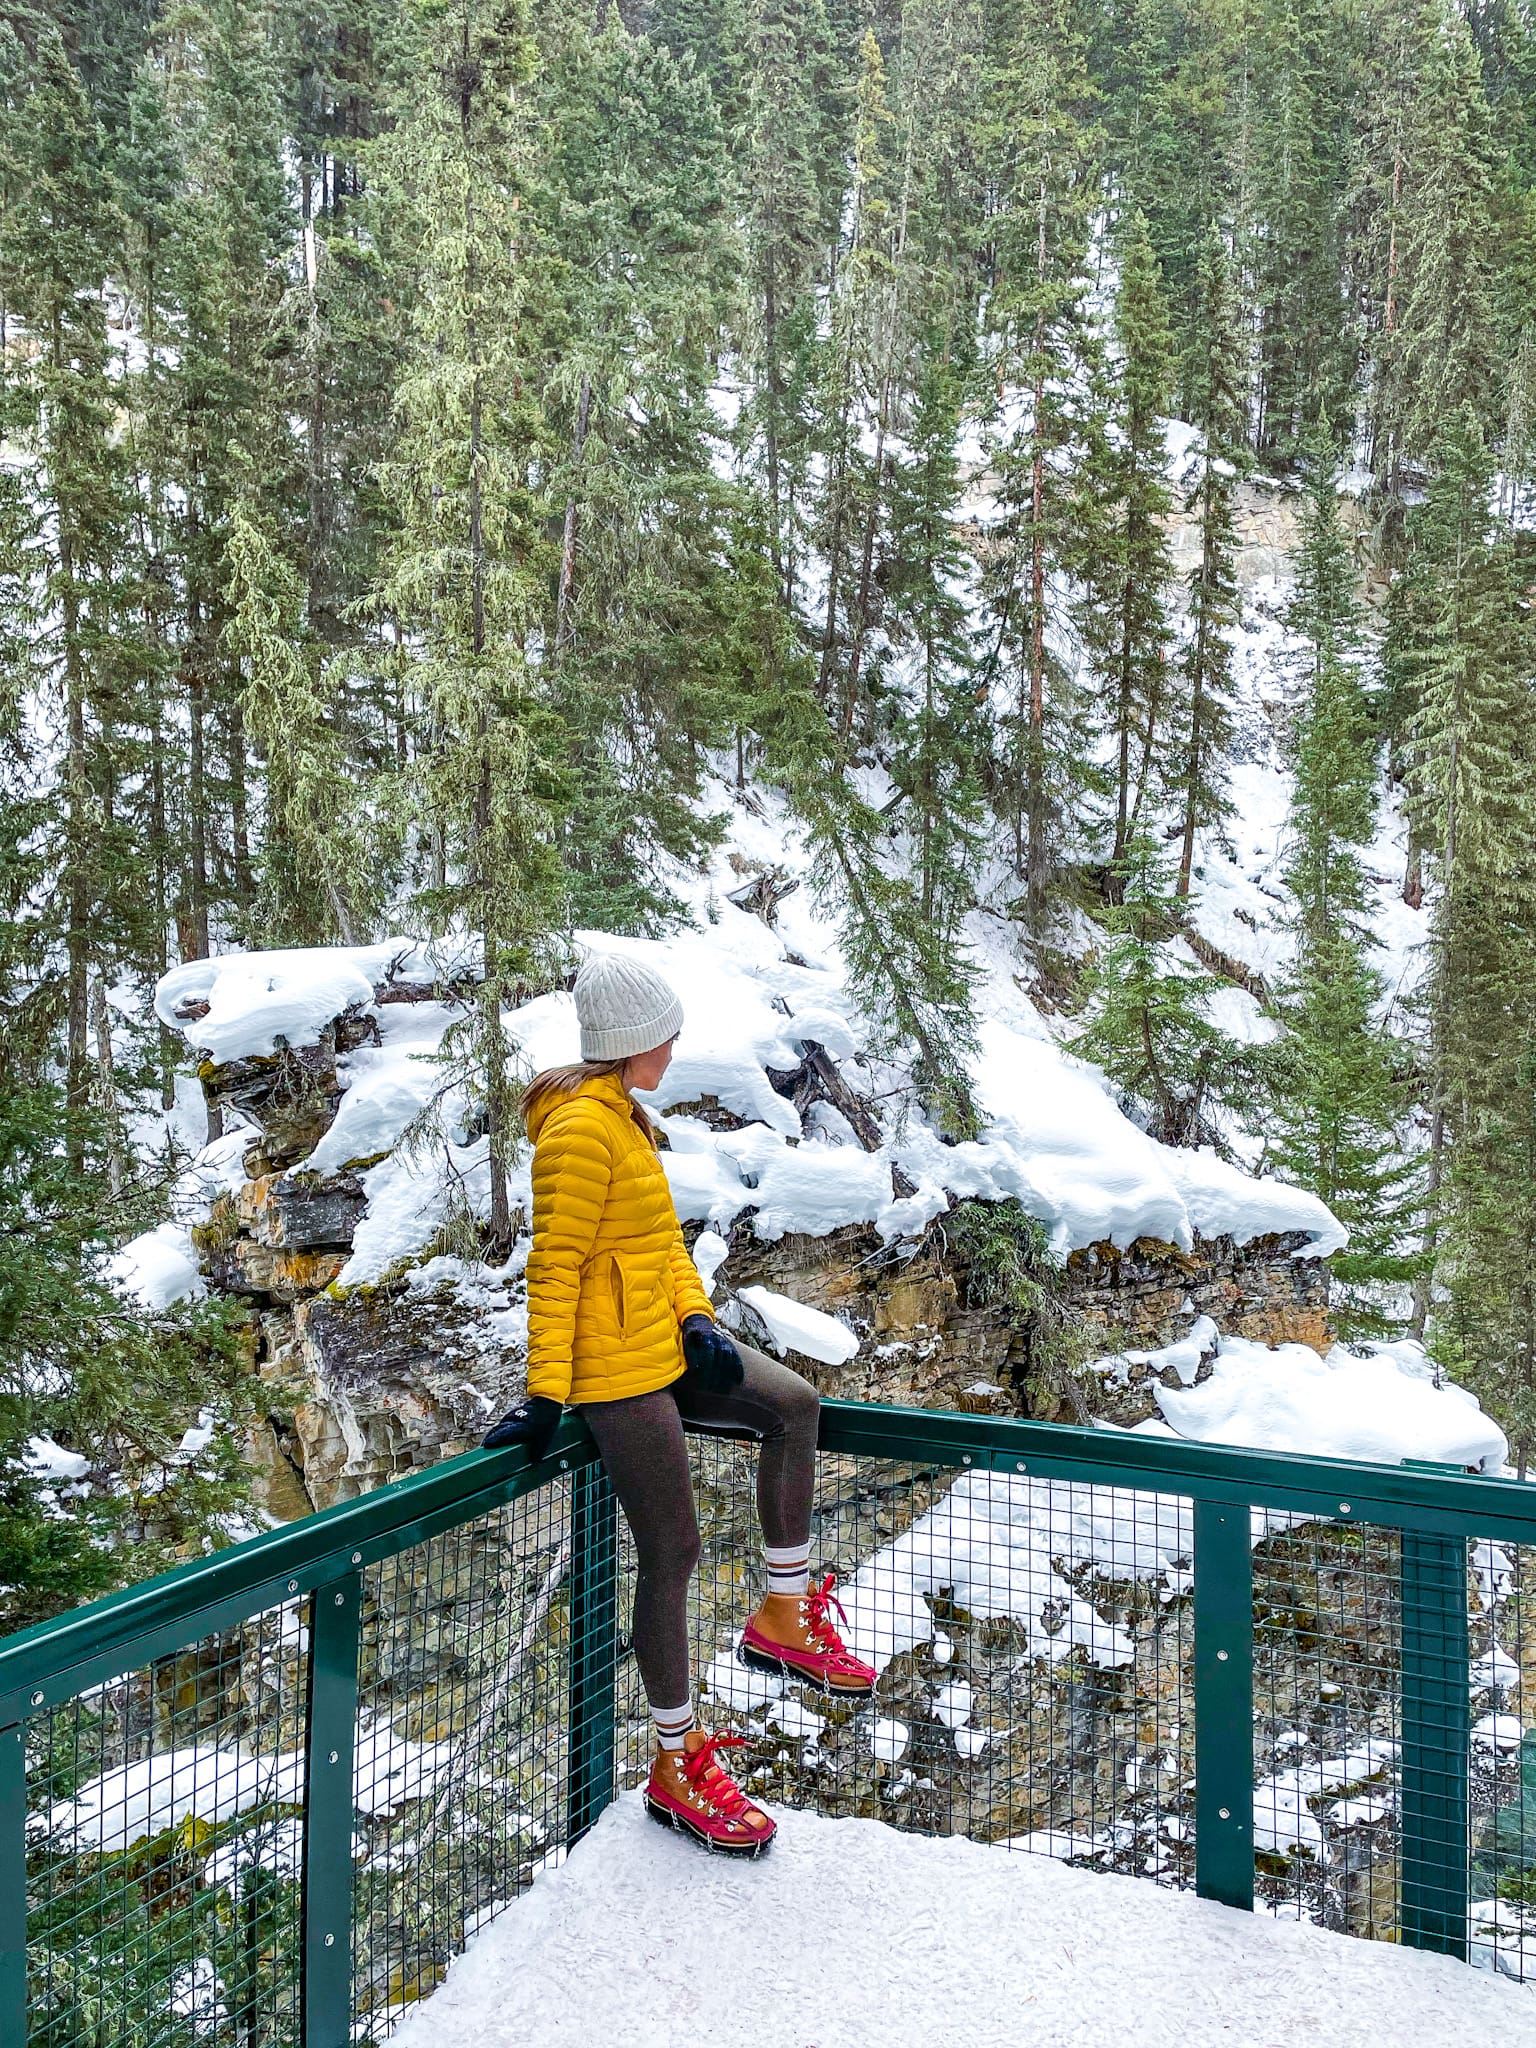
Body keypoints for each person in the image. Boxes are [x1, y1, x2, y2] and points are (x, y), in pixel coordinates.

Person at [483, 953, 876, 1856]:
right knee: (673, 1550)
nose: (676, 1044)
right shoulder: (580, 1131)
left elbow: (659, 1246)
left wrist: (698, 1318)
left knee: (794, 1404)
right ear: (636, 1041)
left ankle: (783, 1614)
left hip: (662, 1338)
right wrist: (547, 1393)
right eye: (667, 1030)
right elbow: (558, 1267)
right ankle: (675, 1756)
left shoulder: (625, 1117)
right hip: (609, 1372)